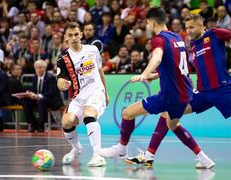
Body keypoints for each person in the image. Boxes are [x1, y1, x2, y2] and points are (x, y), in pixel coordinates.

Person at [126, 14, 231, 167]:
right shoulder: (193, 44)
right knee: (168, 114)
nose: (188, 31)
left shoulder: (215, 34)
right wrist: (155, 76)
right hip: (202, 93)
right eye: (187, 28)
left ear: (200, 25)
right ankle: (149, 155)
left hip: (223, 91)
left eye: (191, 27)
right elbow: (181, 69)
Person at [99, 8, 215, 169]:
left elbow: (157, 57)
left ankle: (121, 148)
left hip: (170, 95)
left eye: (148, 23)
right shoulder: (177, 37)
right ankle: (203, 158)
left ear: (152, 22)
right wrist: (156, 75)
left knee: (127, 113)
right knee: (172, 124)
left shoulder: (158, 39)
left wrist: (145, 74)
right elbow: (175, 65)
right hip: (185, 93)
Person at [57, 22, 109, 167]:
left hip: (96, 91)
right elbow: (60, 79)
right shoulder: (64, 59)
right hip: (78, 97)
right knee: (67, 122)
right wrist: (62, 84)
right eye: (70, 35)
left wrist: (106, 92)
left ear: (81, 35)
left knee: (88, 114)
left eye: (76, 34)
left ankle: (97, 155)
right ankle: (76, 148)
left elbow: (100, 71)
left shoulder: (92, 50)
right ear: (66, 38)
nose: (74, 38)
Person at [21, 59, 62, 132]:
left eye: (40, 67)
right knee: (25, 101)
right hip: (39, 99)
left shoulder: (50, 77)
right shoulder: (34, 77)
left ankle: (41, 125)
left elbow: (52, 92)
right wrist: (30, 93)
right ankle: (32, 124)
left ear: (44, 68)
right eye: (37, 67)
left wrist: (39, 96)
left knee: (42, 101)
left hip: (50, 100)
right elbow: (34, 90)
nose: (38, 69)